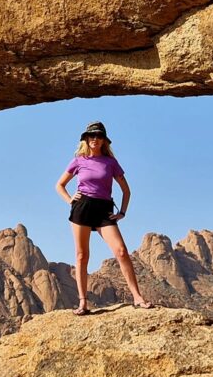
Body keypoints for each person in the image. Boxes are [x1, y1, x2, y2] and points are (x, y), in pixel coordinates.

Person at [55, 121, 155, 315]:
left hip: (104, 210)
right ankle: (83, 303)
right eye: (91, 136)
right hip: (82, 207)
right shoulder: (78, 160)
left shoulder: (111, 163)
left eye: (99, 136)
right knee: (82, 255)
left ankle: (137, 297)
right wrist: (69, 200)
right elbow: (59, 185)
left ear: (104, 140)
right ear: (86, 139)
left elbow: (126, 191)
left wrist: (122, 213)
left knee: (121, 251)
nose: (95, 139)